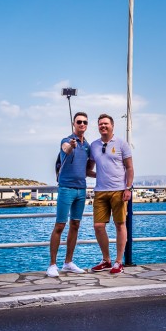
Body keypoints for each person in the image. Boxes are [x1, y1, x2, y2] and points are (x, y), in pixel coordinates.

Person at [47, 112, 94, 278]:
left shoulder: (88, 146)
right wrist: (71, 145)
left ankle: (68, 263)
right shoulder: (67, 140)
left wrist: (102, 175)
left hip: (81, 190)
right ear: (74, 124)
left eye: (85, 122)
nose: (82, 124)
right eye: (79, 122)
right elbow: (65, 149)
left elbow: (87, 170)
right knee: (60, 225)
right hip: (66, 188)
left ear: (87, 125)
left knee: (75, 225)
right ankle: (52, 265)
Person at [89, 113, 134, 274]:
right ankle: (106, 260)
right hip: (100, 192)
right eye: (100, 124)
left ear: (112, 126)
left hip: (119, 191)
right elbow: (89, 168)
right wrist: (98, 175)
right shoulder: (93, 145)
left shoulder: (122, 144)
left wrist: (128, 188)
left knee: (120, 224)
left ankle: (118, 262)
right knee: (98, 226)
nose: (103, 126)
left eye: (106, 124)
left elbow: (129, 168)